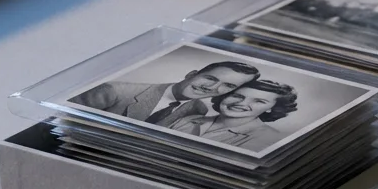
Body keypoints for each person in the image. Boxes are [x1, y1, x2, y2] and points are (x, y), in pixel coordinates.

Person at [71, 61, 260, 125]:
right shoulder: (115, 91)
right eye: (210, 78)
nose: (211, 88)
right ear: (192, 74)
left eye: (227, 86)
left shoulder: (198, 110)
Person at [167, 79, 298, 152]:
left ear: (271, 108)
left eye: (259, 101)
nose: (241, 103)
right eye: (236, 96)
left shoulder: (270, 139)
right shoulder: (188, 120)